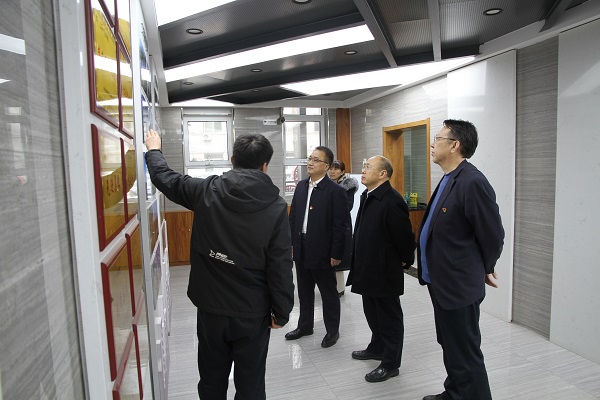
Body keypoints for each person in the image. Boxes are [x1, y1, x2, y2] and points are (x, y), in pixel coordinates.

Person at [144, 129, 294, 400]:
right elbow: (280, 265)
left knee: (211, 381)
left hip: (211, 308)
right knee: (251, 386)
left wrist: (154, 149)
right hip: (253, 312)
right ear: (265, 165)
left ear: (232, 159)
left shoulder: (205, 191)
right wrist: (282, 312)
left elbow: (164, 178)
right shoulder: (276, 207)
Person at [418, 120, 504, 400]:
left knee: (465, 353)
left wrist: (485, 267)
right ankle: (454, 392)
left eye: (438, 138)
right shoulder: (449, 177)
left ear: (454, 145)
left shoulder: (472, 181)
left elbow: (492, 235)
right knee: (450, 345)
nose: (432, 144)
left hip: (458, 285)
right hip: (441, 282)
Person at [347, 155, 415, 383]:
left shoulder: (392, 200)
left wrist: (406, 259)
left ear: (383, 174)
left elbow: (404, 237)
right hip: (367, 266)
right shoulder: (368, 195)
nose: (363, 170)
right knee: (372, 313)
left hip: (384, 270)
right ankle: (377, 347)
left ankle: (391, 364)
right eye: (364, 166)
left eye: (368, 167)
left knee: (389, 319)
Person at [286, 146, 350, 348]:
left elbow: (341, 226)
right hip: (301, 247)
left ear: (327, 166)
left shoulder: (336, 192)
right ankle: (305, 326)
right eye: (310, 158)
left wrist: (336, 253)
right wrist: (292, 243)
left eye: (316, 160)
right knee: (304, 291)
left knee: (328, 293)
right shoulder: (301, 186)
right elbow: (293, 217)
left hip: (323, 250)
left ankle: (332, 331)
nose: (310, 163)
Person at [328, 160, 359, 297]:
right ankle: (330, 286)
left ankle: (339, 289)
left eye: (336, 169)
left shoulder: (347, 186)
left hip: (342, 225)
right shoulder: (327, 185)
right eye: (331, 169)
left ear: (342, 171)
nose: (332, 171)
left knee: (338, 259)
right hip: (328, 226)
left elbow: (348, 207)